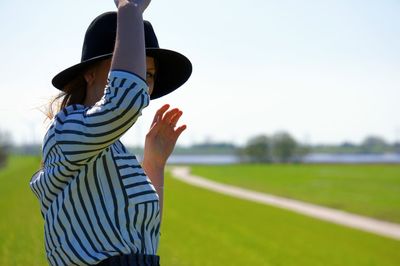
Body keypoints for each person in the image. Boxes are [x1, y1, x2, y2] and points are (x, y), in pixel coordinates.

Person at [29, 0, 192, 265]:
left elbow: (143, 236)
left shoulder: (111, 149)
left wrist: (154, 163)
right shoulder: (66, 130)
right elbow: (123, 101)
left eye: (149, 74)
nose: (143, 83)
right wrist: (130, 8)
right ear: (90, 74)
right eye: (138, 68)